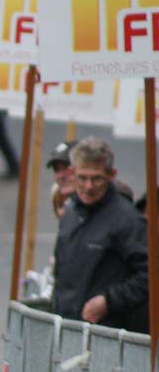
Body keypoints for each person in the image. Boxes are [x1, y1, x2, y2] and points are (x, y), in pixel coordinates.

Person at [53, 137, 148, 332]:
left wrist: (108, 301)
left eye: (96, 178)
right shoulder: (70, 212)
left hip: (106, 332)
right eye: (82, 177)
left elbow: (150, 274)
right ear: (73, 174)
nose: (88, 186)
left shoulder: (127, 220)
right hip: (68, 327)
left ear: (111, 175)